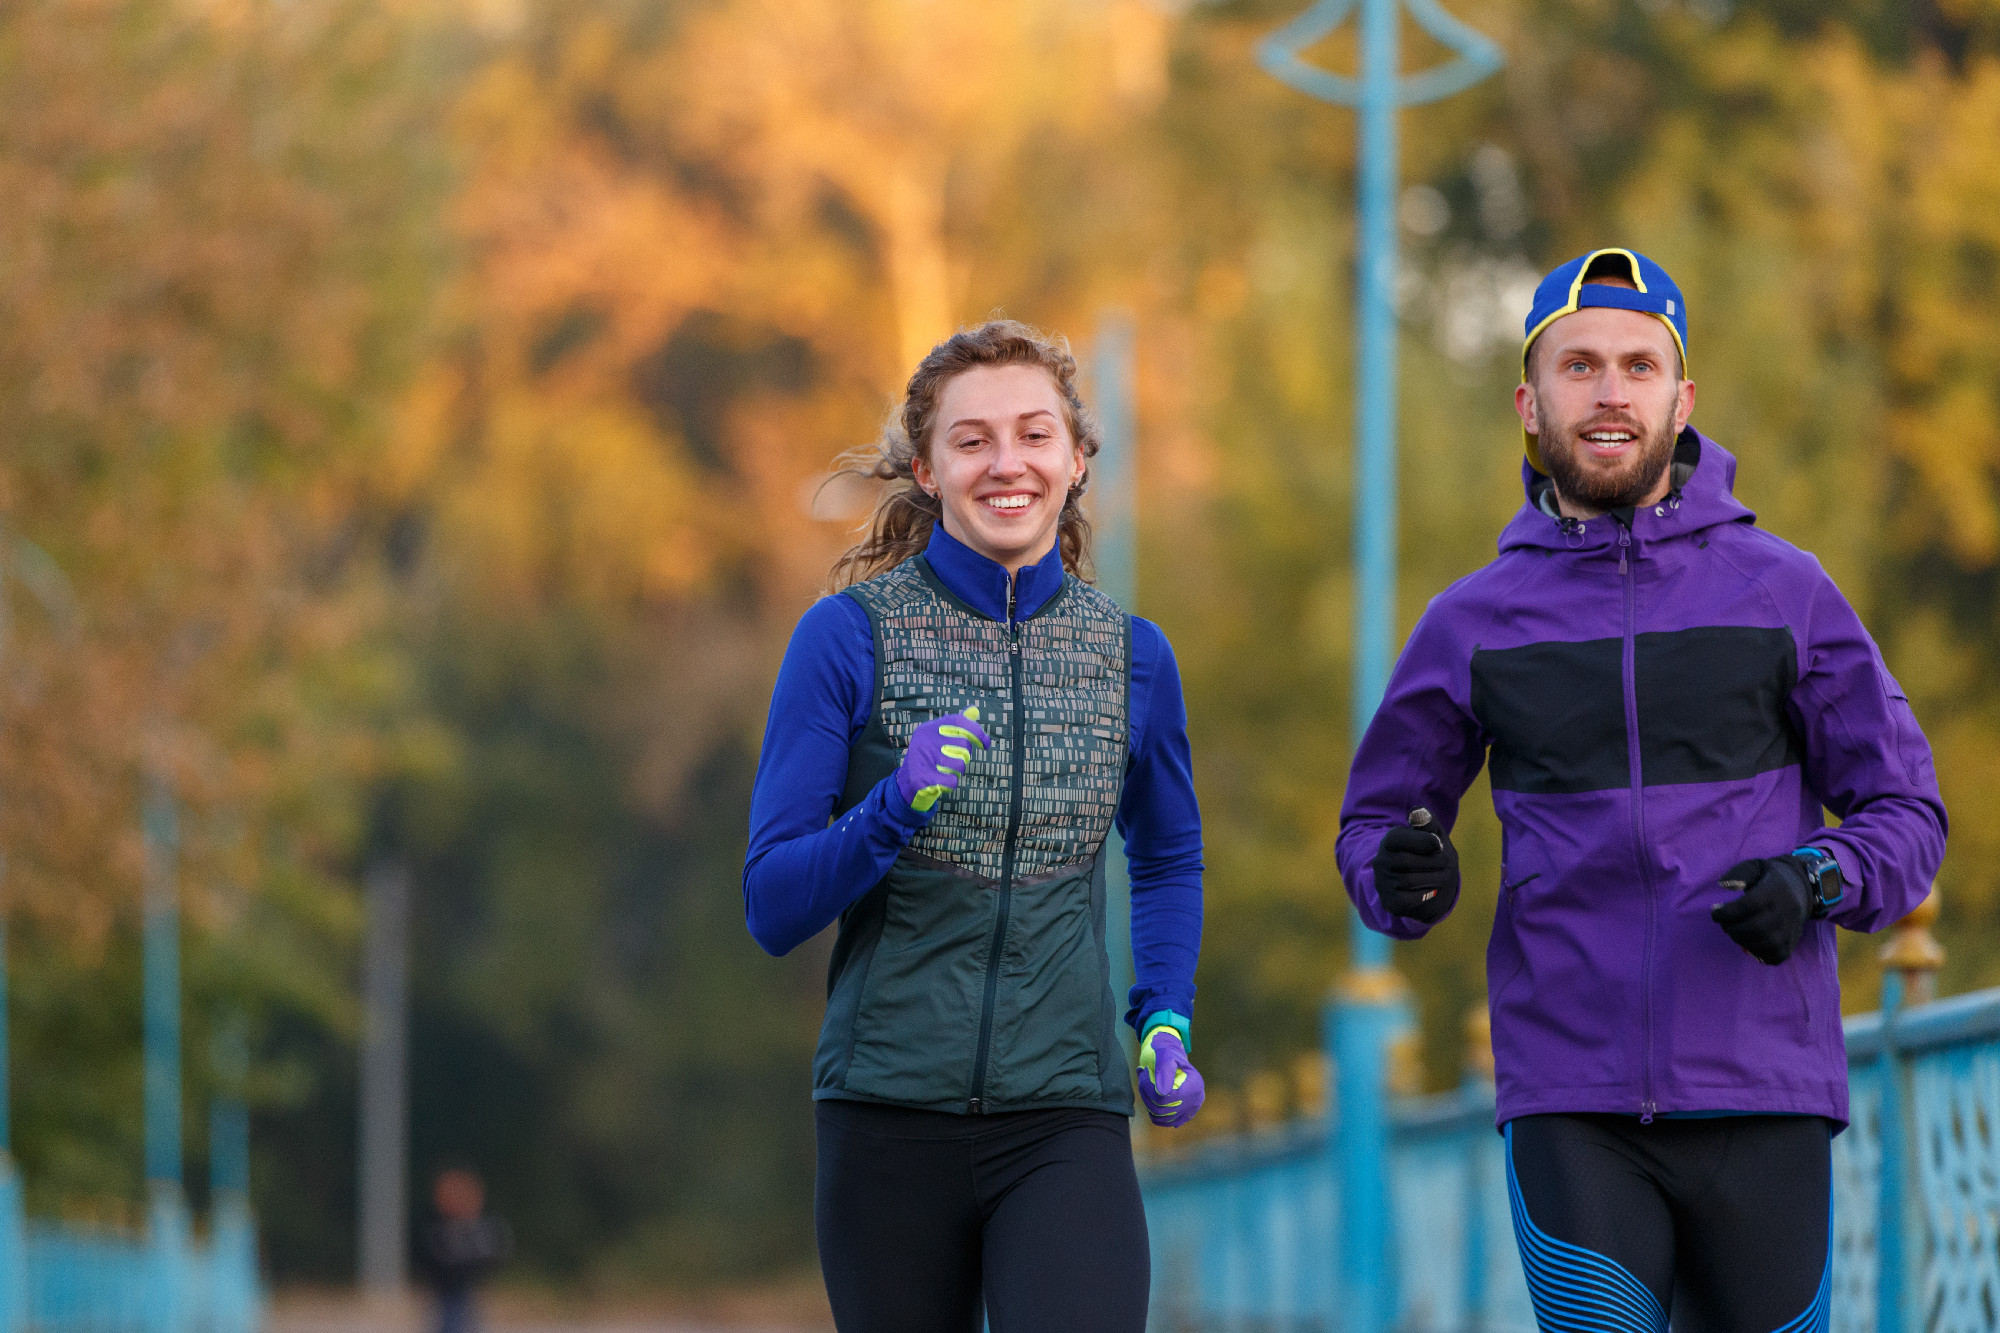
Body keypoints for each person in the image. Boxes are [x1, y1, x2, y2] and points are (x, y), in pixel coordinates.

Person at [1336, 249, 1946, 1333]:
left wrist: (1815, 876)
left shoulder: (1784, 592)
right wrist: (1400, 878)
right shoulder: (1471, 619)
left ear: (1680, 398)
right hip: (1570, 1100)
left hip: (1761, 1089)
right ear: (1530, 403)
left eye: (1635, 365)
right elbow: (1376, 828)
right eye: (1578, 366)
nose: (1608, 391)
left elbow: (1906, 815)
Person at [744, 319, 1206, 1333]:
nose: (1007, 463)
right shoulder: (845, 639)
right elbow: (772, 903)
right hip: (885, 1117)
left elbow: (1167, 854)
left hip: (1065, 1114)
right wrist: (890, 806)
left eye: (1035, 435)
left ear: (1076, 460)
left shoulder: (1132, 656)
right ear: (926, 466)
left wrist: (1162, 1012)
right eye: (972, 440)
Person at [417, 1168, 512, 1333]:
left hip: (466, 1291)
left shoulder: (481, 1228)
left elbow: (493, 1254)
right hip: (447, 1292)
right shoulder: (436, 1228)